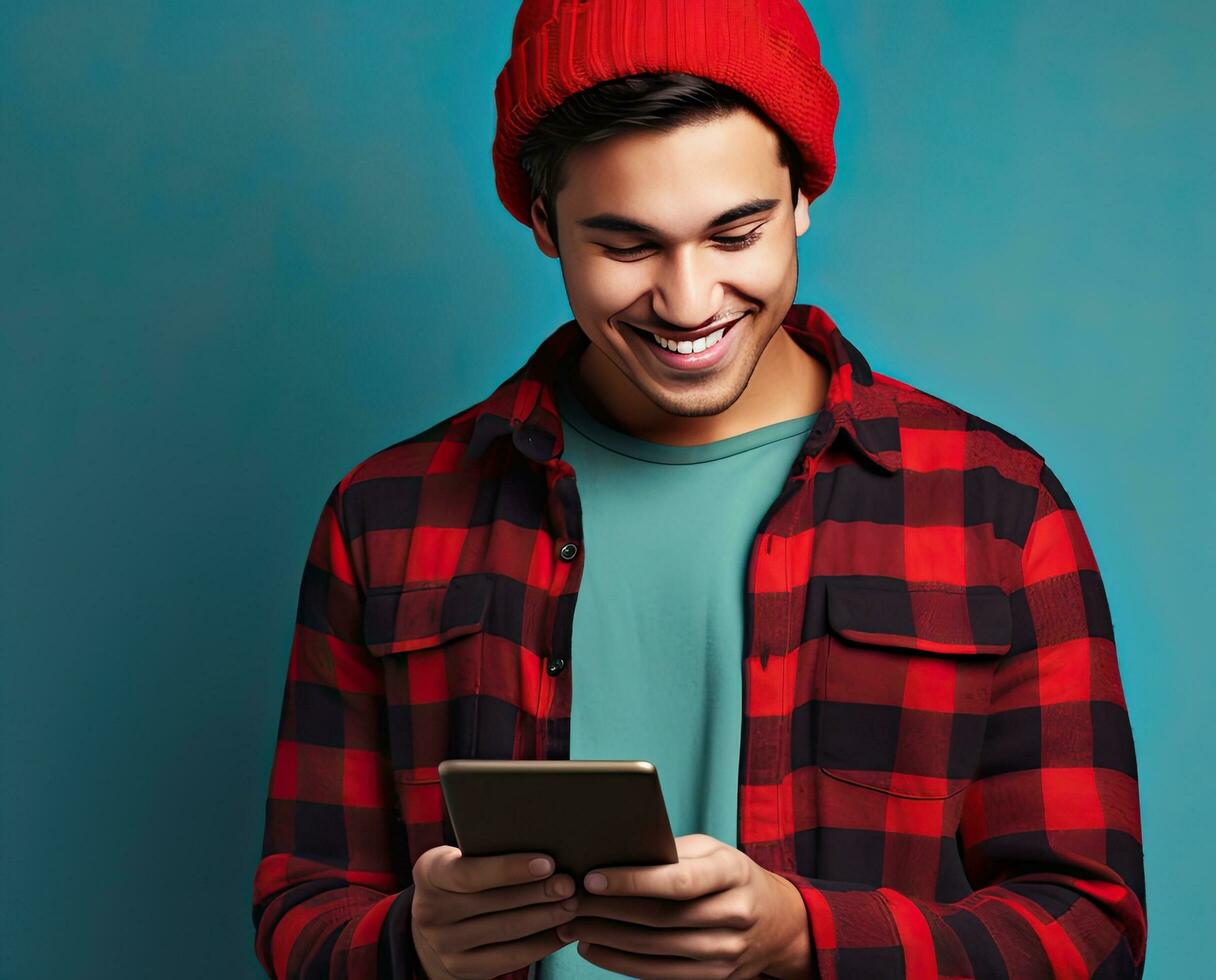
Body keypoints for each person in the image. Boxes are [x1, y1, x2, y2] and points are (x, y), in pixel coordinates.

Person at [248, 2, 1147, 977]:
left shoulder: (996, 507)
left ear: (801, 193)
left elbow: (1086, 929)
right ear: (544, 223)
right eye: (626, 245)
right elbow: (304, 907)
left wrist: (806, 938)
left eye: (734, 232)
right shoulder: (387, 515)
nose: (686, 301)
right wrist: (408, 943)